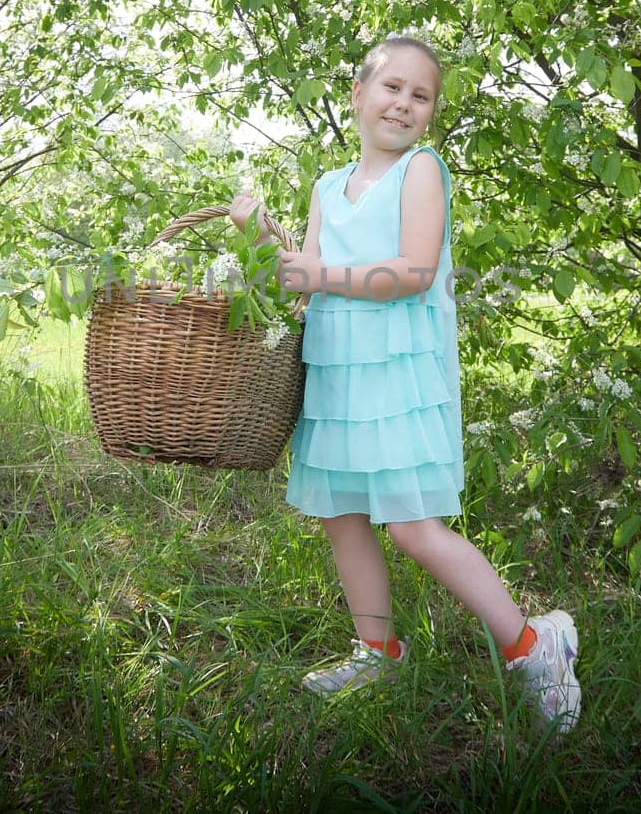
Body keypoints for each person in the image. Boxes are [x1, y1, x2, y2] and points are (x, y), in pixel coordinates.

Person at [228, 36, 580, 731]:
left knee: (413, 524)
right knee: (342, 514)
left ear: (430, 115)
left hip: (395, 368)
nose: (404, 103)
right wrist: (258, 239)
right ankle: (378, 649)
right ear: (357, 96)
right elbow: (299, 284)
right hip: (337, 368)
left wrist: (314, 272)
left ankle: (536, 645)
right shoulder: (328, 186)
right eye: (391, 87)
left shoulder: (422, 170)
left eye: (420, 96)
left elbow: (413, 271)